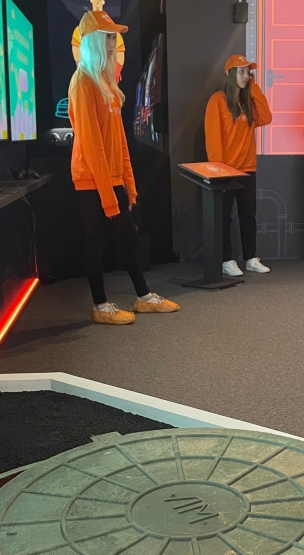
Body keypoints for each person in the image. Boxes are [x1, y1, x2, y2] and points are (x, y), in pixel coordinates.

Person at [68, 9, 179, 324]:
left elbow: (120, 144)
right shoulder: (82, 83)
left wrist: (128, 186)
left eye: (113, 37)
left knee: (126, 237)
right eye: (107, 37)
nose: (112, 42)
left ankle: (142, 298)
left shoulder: (106, 83)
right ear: (92, 41)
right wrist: (108, 197)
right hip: (92, 180)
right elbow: (92, 146)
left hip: (111, 178)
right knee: (98, 241)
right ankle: (101, 306)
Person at [204, 55, 273, 277]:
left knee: (248, 216)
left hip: (247, 168)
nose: (246, 76)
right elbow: (214, 139)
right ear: (230, 73)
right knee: (224, 217)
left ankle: (251, 258)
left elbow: (266, 118)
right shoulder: (217, 100)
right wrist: (218, 170)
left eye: (248, 72)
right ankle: (227, 259)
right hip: (226, 170)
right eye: (241, 71)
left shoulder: (248, 100)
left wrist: (254, 90)